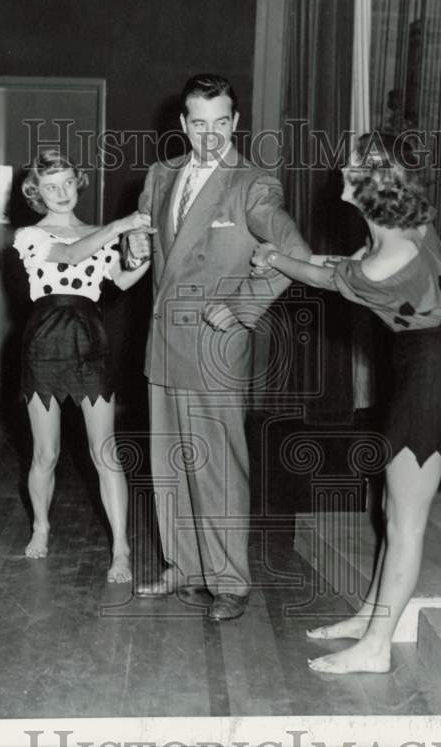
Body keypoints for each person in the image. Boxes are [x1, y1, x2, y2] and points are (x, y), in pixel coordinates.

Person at [251, 132, 441, 672]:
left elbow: (330, 276)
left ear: (369, 184)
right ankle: (371, 617)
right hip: (424, 367)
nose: (341, 170)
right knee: (388, 507)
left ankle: (377, 648)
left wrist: (277, 259)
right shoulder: (406, 229)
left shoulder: (384, 260)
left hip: (431, 379)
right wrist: (282, 256)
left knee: (405, 522)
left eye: (350, 165)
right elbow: (346, 262)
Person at [126, 74, 311, 621]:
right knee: (170, 464)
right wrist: (135, 248)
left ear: (235, 124)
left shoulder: (252, 184)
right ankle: (184, 568)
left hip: (213, 347)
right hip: (162, 343)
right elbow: (145, 256)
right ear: (183, 124)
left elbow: (294, 252)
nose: (209, 135)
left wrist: (244, 305)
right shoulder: (160, 176)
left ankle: (229, 582)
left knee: (218, 467)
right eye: (198, 123)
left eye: (220, 123)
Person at [12, 149, 153, 583]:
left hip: (90, 342)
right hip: (44, 343)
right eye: (50, 186)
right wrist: (121, 225)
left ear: (79, 183)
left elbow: (123, 279)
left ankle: (122, 550)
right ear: (36, 192)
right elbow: (70, 257)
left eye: (67, 183)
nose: (61, 193)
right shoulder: (29, 236)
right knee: (46, 453)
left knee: (105, 452)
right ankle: (41, 525)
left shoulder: (100, 235)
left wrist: (143, 254)